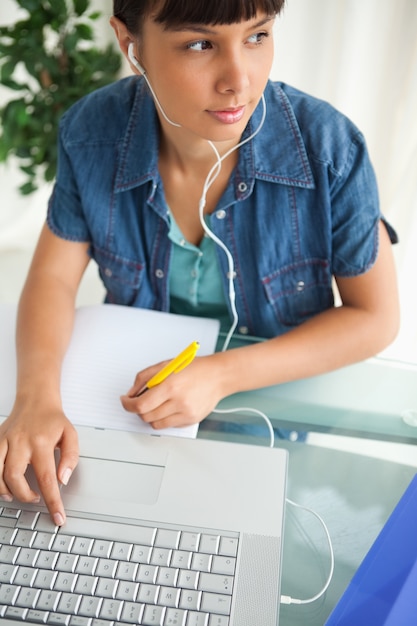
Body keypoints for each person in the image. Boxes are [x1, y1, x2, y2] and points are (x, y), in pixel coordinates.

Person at [0, 0, 399, 526]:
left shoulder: (329, 148)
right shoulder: (91, 134)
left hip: (276, 414)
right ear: (130, 43)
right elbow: (53, 276)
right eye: (200, 44)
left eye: (257, 36)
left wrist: (220, 375)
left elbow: (377, 319)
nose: (239, 80)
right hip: (140, 420)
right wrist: (33, 399)